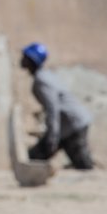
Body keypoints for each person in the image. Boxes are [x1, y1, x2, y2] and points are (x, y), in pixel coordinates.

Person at [20, 42, 94, 170]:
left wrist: (52, 136)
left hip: (72, 125)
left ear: (31, 60)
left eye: (25, 57)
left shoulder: (41, 80)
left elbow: (52, 108)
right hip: (67, 126)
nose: (22, 59)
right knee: (36, 156)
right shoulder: (45, 76)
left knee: (83, 165)